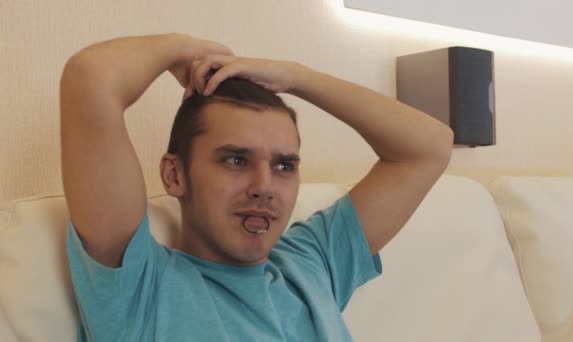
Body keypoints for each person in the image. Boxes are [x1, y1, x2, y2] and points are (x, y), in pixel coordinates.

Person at [60, 33, 453, 341]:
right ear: (174, 176)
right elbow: (91, 77)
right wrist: (185, 51)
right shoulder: (141, 286)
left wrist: (298, 77)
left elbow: (429, 146)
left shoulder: (311, 262)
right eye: (236, 160)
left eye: (284, 165)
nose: (265, 187)